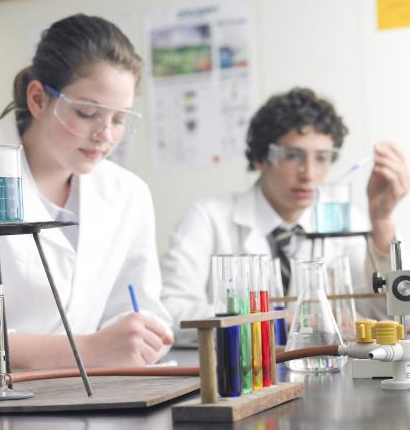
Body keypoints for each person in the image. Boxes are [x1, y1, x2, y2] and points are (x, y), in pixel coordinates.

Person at [0, 14, 174, 392]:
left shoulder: (128, 194)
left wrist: (140, 337)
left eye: (119, 119)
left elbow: (138, 310)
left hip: (96, 402)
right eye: (88, 113)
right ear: (39, 99)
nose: (105, 135)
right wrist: (89, 350)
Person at [160, 87, 410, 343]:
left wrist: (381, 219)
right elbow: (172, 311)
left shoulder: (348, 222)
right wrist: (273, 320)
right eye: (292, 156)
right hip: (238, 374)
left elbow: (390, 313)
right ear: (260, 157)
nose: (309, 173)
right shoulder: (207, 220)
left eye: (322, 158)